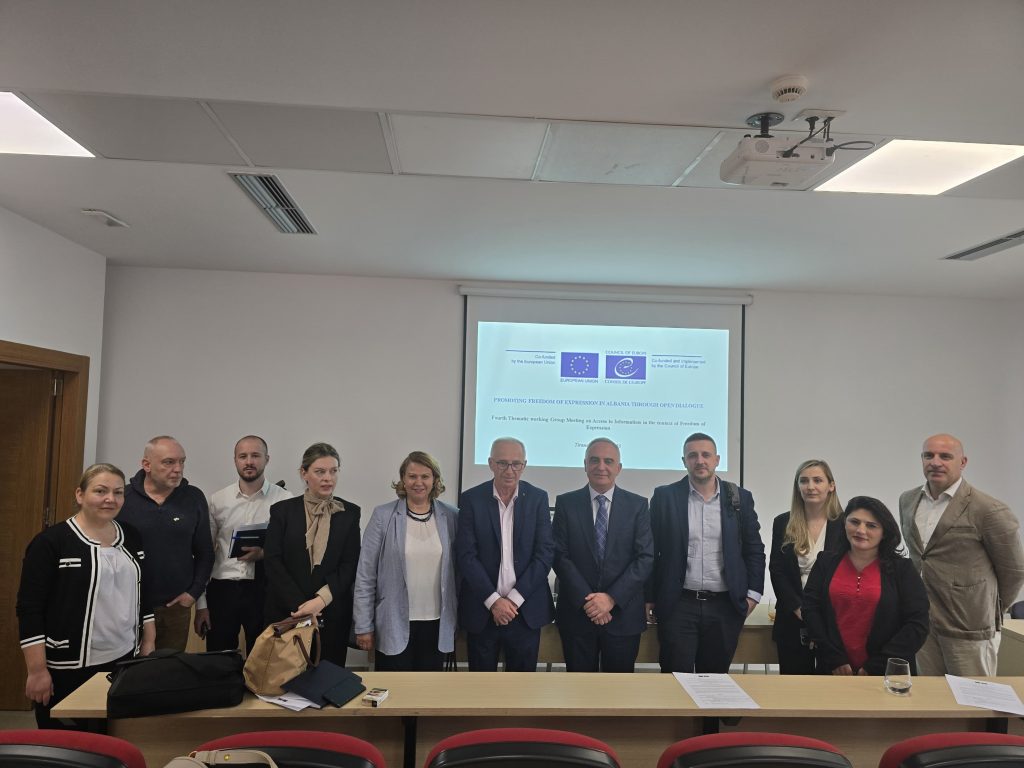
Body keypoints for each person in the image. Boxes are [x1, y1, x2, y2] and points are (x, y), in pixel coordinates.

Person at [17, 464, 155, 729]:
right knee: (67, 744)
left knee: (111, 738)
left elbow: (143, 589)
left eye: (118, 492)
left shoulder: (131, 536)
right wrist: (37, 670)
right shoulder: (51, 542)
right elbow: (29, 609)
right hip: (67, 667)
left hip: (123, 659)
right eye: (100, 491)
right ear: (80, 495)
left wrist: (148, 640)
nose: (110, 499)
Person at [899, 433, 1024, 676]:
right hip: (922, 622)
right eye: (928, 455)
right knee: (931, 696)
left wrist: (989, 609)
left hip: (969, 627)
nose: (935, 462)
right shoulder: (908, 500)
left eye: (945, 456)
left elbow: (1014, 571)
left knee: (972, 696)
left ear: (963, 462)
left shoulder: (988, 509)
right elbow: (920, 557)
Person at [646, 432, 765, 673]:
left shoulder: (739, 498)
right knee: (675, 678)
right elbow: (651, 551)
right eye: (693, 455)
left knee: (715, 680)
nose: (699, 461)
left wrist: (753, 595)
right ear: (684, 461)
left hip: (724, 606)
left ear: (717, 460)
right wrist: (648, 596)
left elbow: (754, 549)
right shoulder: (665, 497)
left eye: (706, 455)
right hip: (678, 605)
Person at [553, 437, 654, 672]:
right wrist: (590, 602)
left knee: (618, 690)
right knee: (579, 688)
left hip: (622, 616)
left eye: (608, 461)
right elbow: (559, 555)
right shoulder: (566, 503)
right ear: (585, 464)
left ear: (619, 468)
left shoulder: (638, 505)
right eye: (594, 460)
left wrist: (610, 599)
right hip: (578, 615)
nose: (601, 467)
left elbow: (645, 557)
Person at [455, 437, 554, 671]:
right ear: (491, 463)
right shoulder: (471, 499)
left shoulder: (538, 498)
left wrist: (513, 600)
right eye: (502, 463)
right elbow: (466, 555)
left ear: (524, 465)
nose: (509, 471)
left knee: (522, 687)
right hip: (483, 610)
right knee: (481, 687)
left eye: (516, 464)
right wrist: (494, 601)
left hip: (525, 611)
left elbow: (545, 553)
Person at [353, 451, 458, 670]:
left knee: (429, 688)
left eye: (425, 476)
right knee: (393, 688)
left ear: (435, 479)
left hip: (437, 623)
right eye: (412, 476)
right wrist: (363, 625)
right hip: (392, 622)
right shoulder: (383, 516)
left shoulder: (451, 516)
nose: (418, 482)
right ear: (403, 479)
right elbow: (365, 574)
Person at [802, 496, 930, 675]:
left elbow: (918, 623)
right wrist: (834, 658)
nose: (860, 530)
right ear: (844, 524)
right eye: (854, 522)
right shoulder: (825, 562)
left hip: (887, 674)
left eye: (871, 525)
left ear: (884, 532)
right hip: (832, 669)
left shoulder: (902, 569)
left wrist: (876, 666)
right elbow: (810, 609)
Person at [263, 442, 361, 666]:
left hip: (330, 612)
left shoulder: (350, 513)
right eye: (320, 472)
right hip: (287, 611)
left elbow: (349, 565)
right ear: (304, 473)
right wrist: (302, 608)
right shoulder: (282, 511)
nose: (328, 478)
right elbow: (273, 561)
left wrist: (319, 601)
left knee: (328, 678)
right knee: (286, 679)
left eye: (333, 471)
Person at [194, 435, 292, 654]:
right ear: (235, 460)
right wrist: (201, 605)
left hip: (264, 590)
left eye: (255, 455)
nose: (249, 462)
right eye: (243, 456)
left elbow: (291, 551)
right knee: (219, 660)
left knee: (263, 659)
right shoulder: (218, 500)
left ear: (267, 459)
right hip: (222, 590)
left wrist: (264, 553)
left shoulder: (285, 499)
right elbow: (204, 554)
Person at [118, 435, 213, 651]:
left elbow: (205, 552)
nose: (178, 469)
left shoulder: (193, 498)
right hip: (129, 607)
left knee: (168, 668)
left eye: (182, 462)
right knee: (127, 669)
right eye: (169, 462)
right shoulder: (123, 497)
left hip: (175, 607)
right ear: (147, 465)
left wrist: (193, 594)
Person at [769, 459, 844, 674]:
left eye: (817, 480)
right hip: (793, 618)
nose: (810, 486)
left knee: (831, 688)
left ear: (831, 485)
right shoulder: (783, 522)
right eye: (804, 481)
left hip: (832, 620)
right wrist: (800, 610)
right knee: (794, 688)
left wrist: (818, 618)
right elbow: (777, 571)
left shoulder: (845, 523)